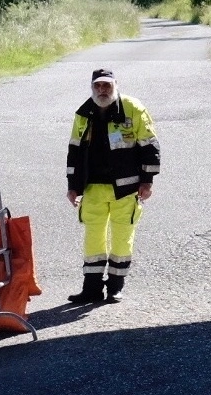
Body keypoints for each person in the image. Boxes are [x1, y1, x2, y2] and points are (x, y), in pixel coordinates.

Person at [66, 68, 160, 304]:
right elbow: (74, 152)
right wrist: (73, 186)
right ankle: (92, 289)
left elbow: (150, 146)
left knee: (122, 237)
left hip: (126, 188)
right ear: (92, 87)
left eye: (107, 85)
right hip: (93, 188)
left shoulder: (133, 109)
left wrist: (147, 181)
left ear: (116, 85)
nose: (102, 90)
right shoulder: (83, 112)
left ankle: (116, 287)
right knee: (93, 239)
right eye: (97, 86)